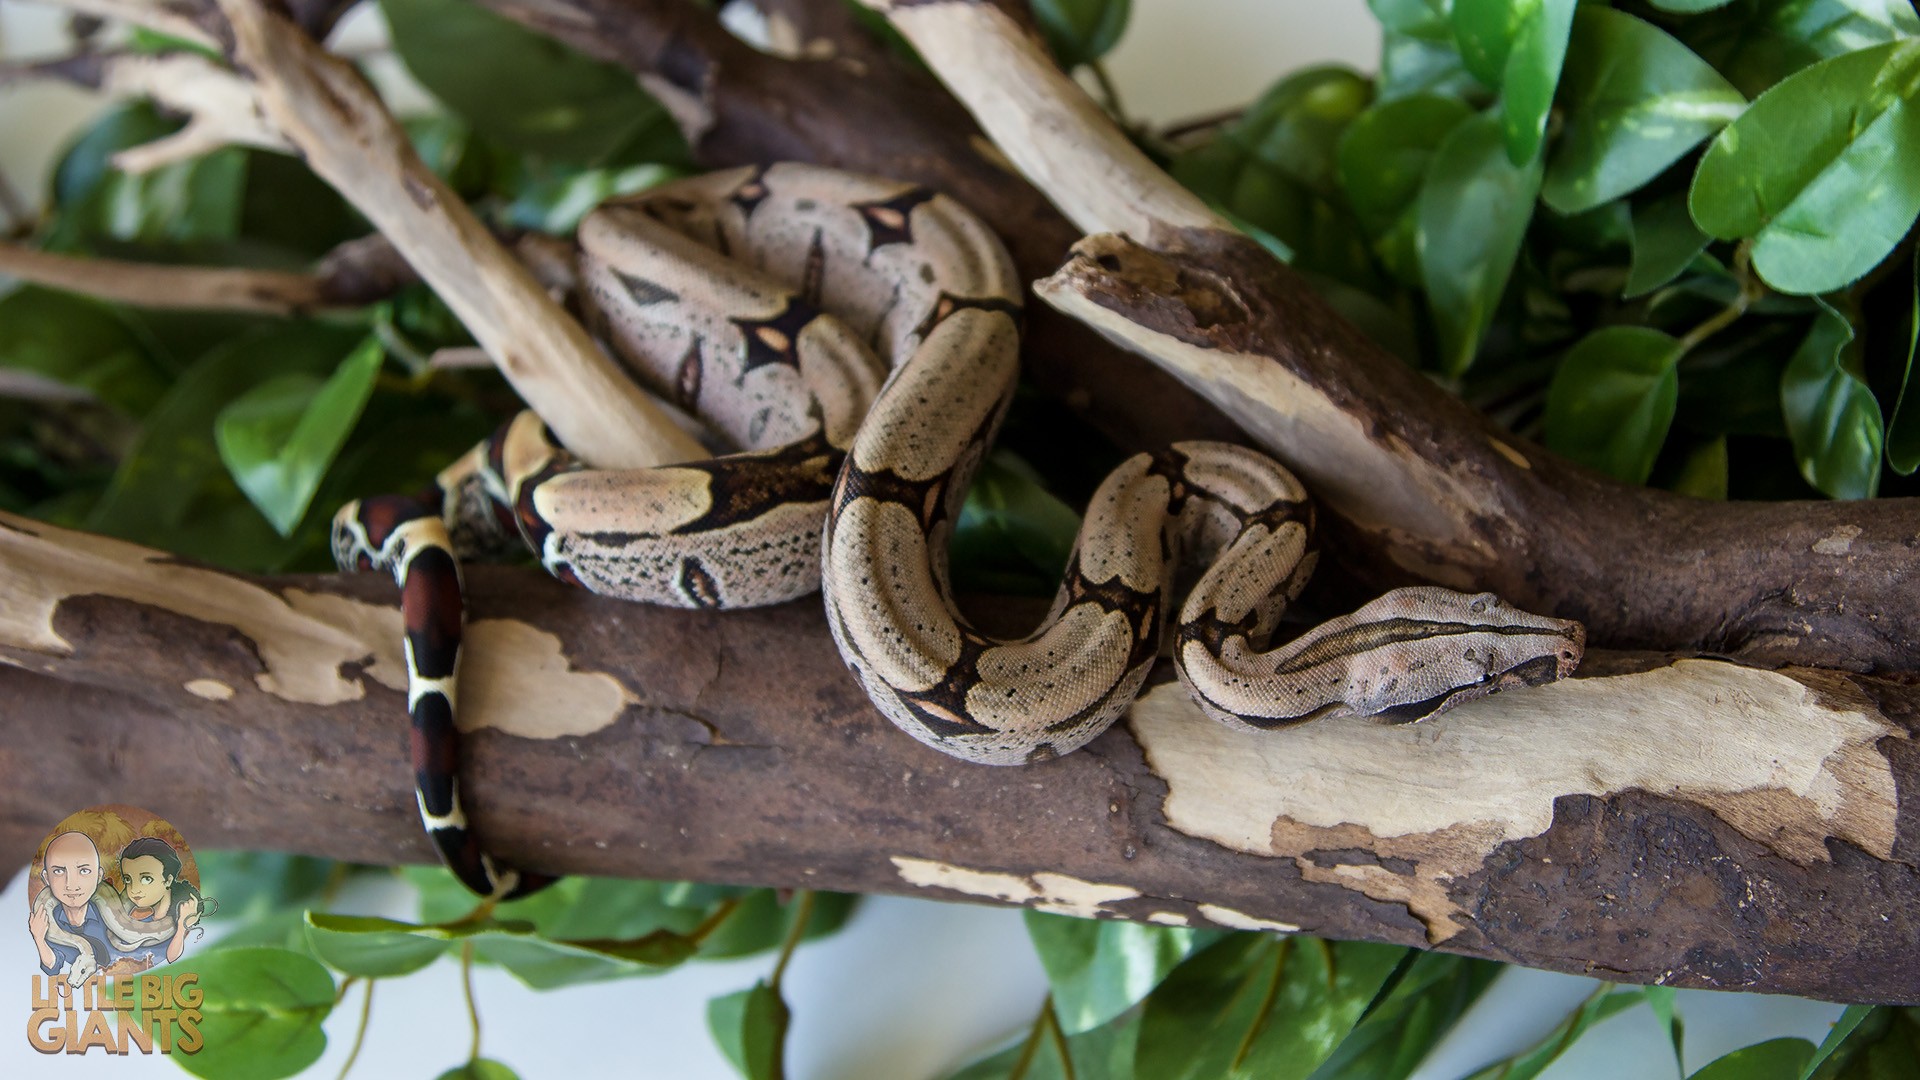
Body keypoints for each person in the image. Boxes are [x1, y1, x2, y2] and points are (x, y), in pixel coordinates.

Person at [26, 831, 115, 983]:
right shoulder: (46, 924)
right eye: (59, 871)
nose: (71, 885)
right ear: (47, 879)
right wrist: (39, 939)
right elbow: (52, 967)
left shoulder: (110, 920)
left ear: (99, 876)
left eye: (84, 871)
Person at [108, 837, 210, 969]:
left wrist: (182, 927)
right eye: (128, 880)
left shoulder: (184, 916)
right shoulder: (135, 918)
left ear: (168, 880)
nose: (134, 889)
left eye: (146, 879)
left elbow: (172, 958)